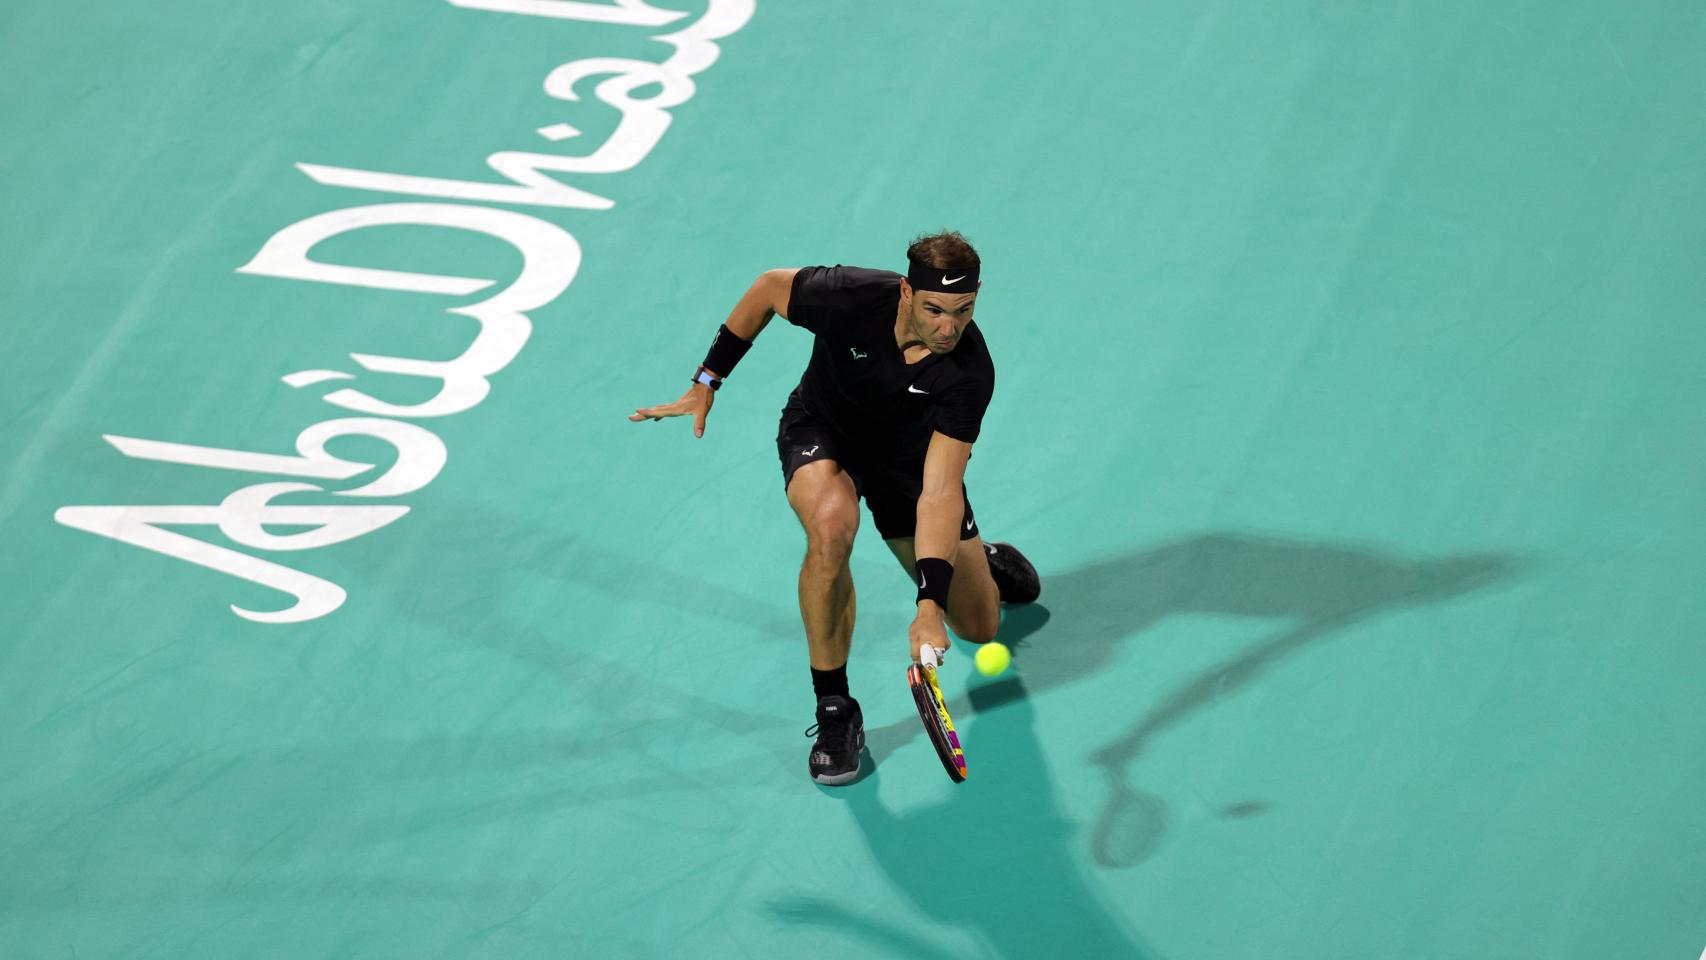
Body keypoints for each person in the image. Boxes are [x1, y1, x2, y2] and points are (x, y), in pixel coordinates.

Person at [629, 230, 1039, 785]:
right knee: (830, 530)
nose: (949, 327)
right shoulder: (850, 295)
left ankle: (980, 563)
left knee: (980, 627)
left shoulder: (969, 373)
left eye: (963, 310)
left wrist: (928, 607)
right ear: (906, 294)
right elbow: (767, 290)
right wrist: (707, 380)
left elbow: (940, 490)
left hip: (908, 469)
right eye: (934, 309)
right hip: (825, 431)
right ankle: (834, 709)